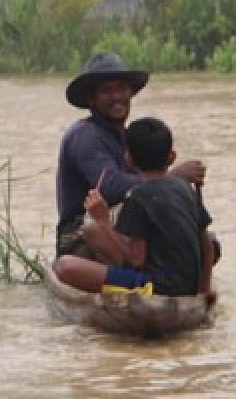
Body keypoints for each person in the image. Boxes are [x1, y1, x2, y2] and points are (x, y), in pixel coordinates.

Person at [55, 52, 207, 257]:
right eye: (107, 91)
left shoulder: (128, 136)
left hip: (125, 226)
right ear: (92, 98)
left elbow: (146, 183)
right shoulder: (85, 136)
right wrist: (174, 177)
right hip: (79, 236)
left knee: (207, 242)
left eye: (121, 88)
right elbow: (111, 188)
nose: (117, 96)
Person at [53, 117, 216, 304]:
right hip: (188, 285)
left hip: (153, 287)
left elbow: (136, 260)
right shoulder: (186, 188)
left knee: (64, 266)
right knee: (92, 231)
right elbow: (208, 246)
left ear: (128, 159)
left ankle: (117, 289)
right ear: (172, 157)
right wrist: (205, 291)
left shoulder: (137, 197)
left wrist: (104, 222)